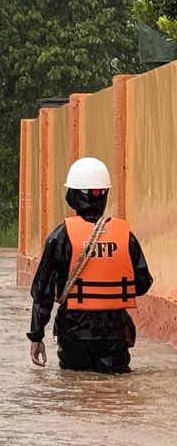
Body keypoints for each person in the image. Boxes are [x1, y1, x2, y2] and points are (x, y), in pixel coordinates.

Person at [28, 157, 153, 374]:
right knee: (114, 394)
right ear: (104, 194)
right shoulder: (125, 236)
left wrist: (36, 336)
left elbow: (43, 293)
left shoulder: (60, 237)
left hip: (73, 332)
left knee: (76, 393)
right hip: (115, 332)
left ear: (73, 196)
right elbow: (143, 284)